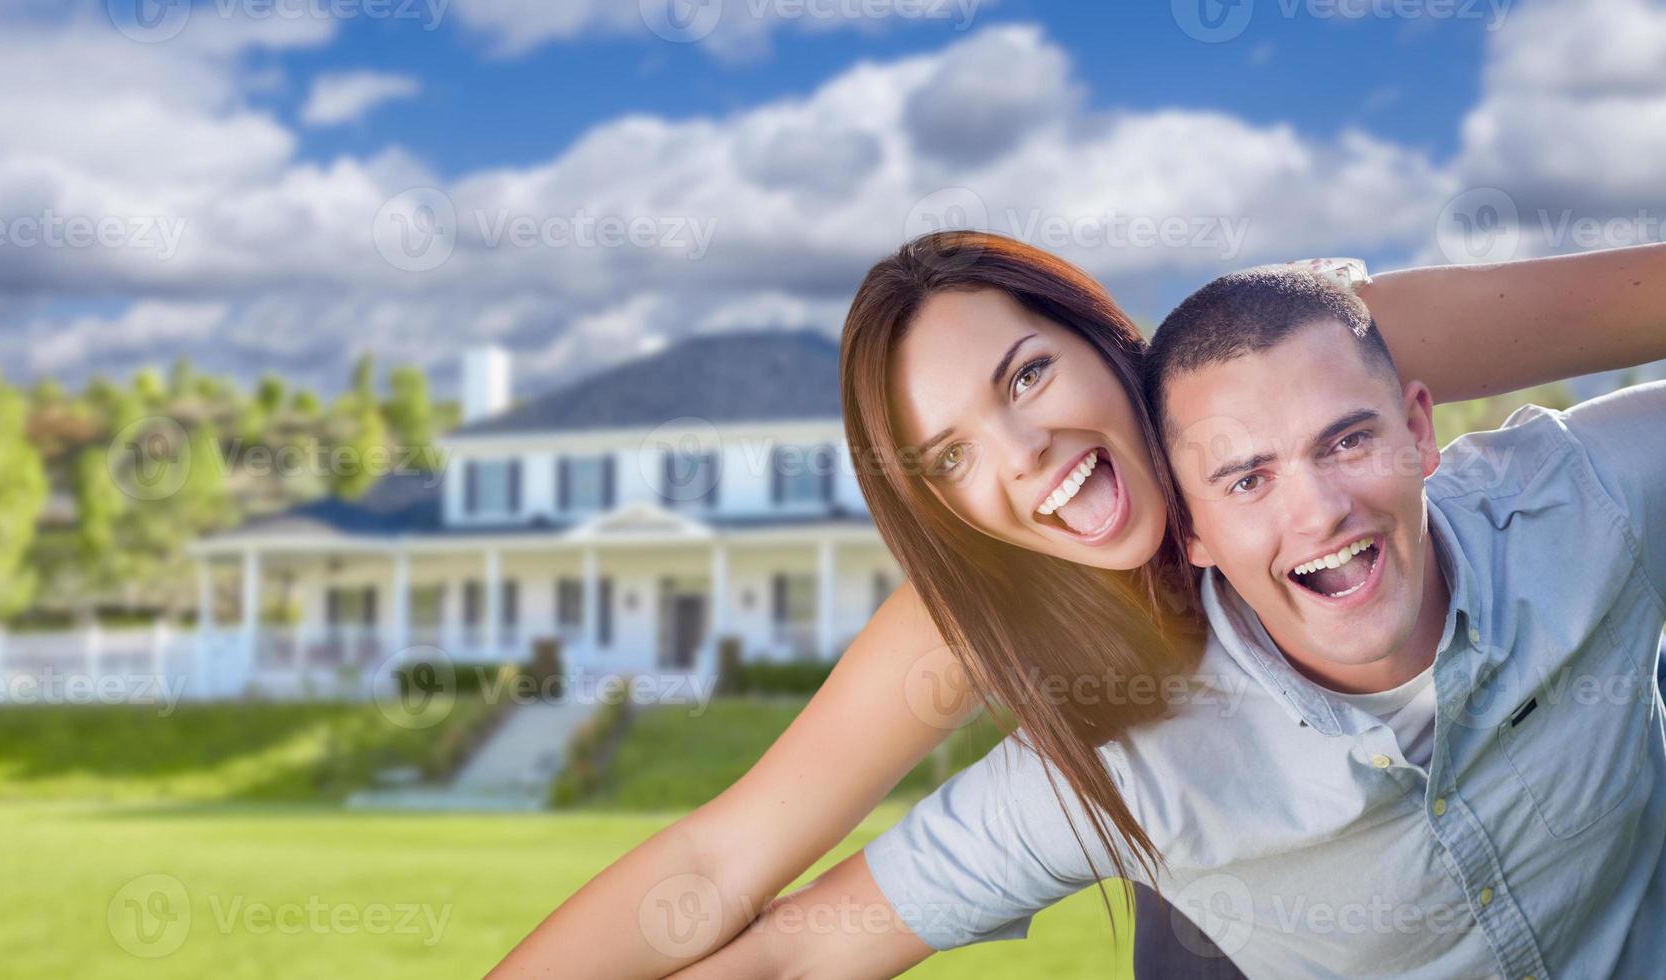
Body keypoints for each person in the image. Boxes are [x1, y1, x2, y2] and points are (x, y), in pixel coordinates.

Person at [490, 234, 1666, 978]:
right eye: (949, 456)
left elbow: (1642, 298)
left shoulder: (1293, 353)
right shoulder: (977, 619)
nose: (1023, 449)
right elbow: (729, 856)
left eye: (1028, 374)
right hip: (1219, 861)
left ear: (1109, 344)